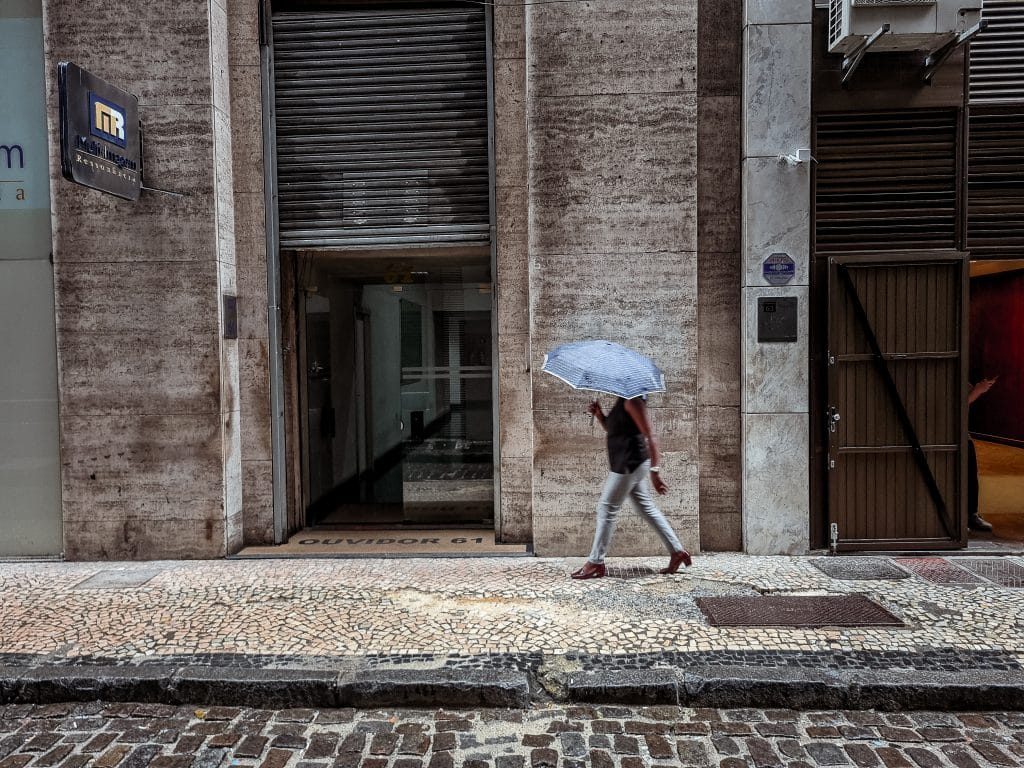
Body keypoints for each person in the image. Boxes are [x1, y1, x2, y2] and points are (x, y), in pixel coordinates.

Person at [571, 395, 692, 579]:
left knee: (607, 507)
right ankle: (677, 551)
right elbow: (615, 430)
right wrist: (600, 415)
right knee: (646, 508)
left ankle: (595, 562)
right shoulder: (623, 400)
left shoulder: (632, 401)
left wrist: (655, 472)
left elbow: (650, 435)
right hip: (627, 463)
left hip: (629, 464)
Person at [967, 377, 997, 533]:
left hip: (962, 434)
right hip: (947, 431)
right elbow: (957, 404)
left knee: (970, 475)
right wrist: (977, 390)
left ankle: (971, 514)